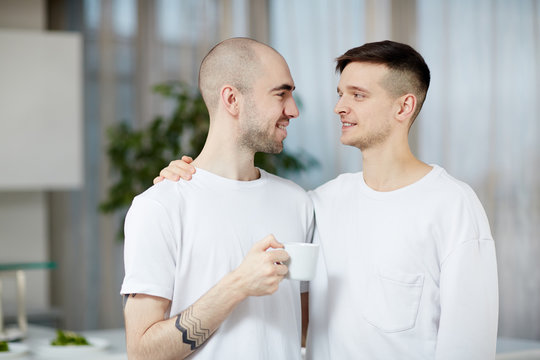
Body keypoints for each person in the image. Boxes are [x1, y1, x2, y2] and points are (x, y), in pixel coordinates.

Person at [155, 40, 499, 359]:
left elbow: (469, 346)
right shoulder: (319, 204)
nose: (339, 107)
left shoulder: (452, 206)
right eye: (340, 94)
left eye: (358, 95)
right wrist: (189, 177)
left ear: (404, 106)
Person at [120, 37, 314, 360]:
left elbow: (305, 326)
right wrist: (238, 284)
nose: (293, 110)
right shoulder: (159, 207)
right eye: (281, 93)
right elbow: (142, 352)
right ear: (232, 99)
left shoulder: (298, 202)